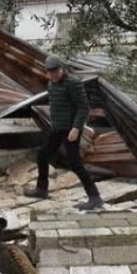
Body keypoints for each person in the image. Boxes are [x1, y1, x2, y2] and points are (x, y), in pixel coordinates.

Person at [23, 54, 103, 210]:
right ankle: (41, 190)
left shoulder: (73, 83)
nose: (53, 74)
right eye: (50, 72)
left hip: (71, 130)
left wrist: (76, 128)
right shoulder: (51, 84)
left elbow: (84, 107)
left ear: (62, 69)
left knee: (75, 164)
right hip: (57, 128)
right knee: (43, 156)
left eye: (55, 71)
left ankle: (95, 197)